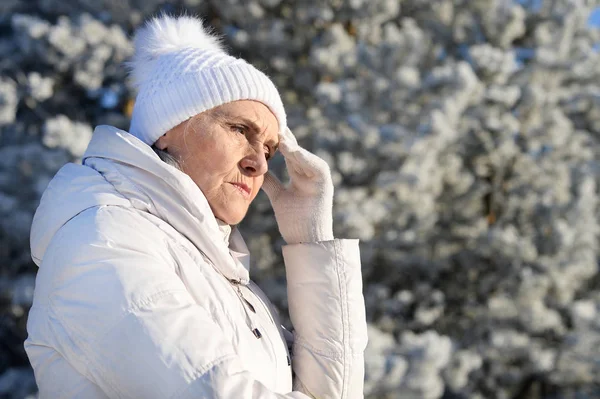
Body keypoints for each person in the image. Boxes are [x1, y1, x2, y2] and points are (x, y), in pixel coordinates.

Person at [24, 13, 368, 398]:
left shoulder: (219, 273)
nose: (260, 162)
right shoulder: (101, 242)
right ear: (168, 129)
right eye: (240, 130)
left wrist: (310, 239)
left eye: (270, 149)